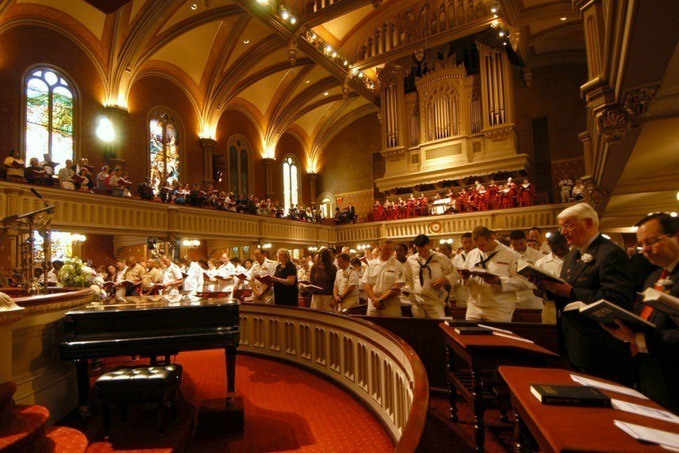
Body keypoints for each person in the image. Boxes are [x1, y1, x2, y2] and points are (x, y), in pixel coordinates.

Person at [541, 203, 634, 385]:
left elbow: (618, 300)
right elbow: (565, 293)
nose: (563, 232)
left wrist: (572, 292)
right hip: (573, 340)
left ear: (589, 223)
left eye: (568, 225)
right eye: (561, 227)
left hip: (599, 345)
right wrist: (547, 287)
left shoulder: (609, 253)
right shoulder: (571, 255)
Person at [600, 213, 679, 413]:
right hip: (650, 373)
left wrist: (640, 338)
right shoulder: (653, 276)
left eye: (651, 242)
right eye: (642, 244)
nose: (645, 250)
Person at [458, 226, 531, 322]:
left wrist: (499, 281)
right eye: (477, 246)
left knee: (498, 336)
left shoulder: (512, 255)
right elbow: (466, 281)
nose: (480, 248)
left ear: (491, 238)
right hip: (474, 306)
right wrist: (465, 278)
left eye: (482, 245)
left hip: (499, 308)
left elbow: (524, 281)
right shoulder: (473, 254)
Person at [403, 234, 458, 318]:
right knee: (419, 329)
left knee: (437, 328)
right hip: (417, 302)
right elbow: (408, 279)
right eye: (420, 251)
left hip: (435, 302)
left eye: (425, 250)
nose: (423, 253)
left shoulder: (440, 257)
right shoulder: (411, 260)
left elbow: (455, 274)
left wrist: (444, 279)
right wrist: (408, 290)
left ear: (429, 245)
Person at [361, 239, 405, 317]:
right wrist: (374, 300)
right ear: (380, 249)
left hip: (390, 306)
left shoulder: (398, 265)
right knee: (370, 328)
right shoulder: (372, 264)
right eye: (386, 249)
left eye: (391, 249)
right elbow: (366, 284)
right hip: (373, 305)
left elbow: (397, 286)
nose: (389, 252)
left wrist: (381, 300)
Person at [534, 232, 569, 324]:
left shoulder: (577, 259)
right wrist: (541, 288)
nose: (559, 251)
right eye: (554, 248)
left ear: (567, 243)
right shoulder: (541, 263)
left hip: (571, 304)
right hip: (550, 306)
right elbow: (535, 291)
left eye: (561, 247)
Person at [509, 229, 544, 309]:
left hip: (532, 296)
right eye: (515, 244)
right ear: (511, 242)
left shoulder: (538, 255)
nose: (519, 247)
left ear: (525, 240)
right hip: (514, 295)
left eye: (521, 243)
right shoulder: (508, 255)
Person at [451, 232, 474, 307]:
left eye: (470, 242)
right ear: (462, 243)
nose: (467, 245)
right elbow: (453, 273)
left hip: (475, 288)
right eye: (465, 242)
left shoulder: (479, 255)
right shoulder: (457, 257)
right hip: (461, 290)